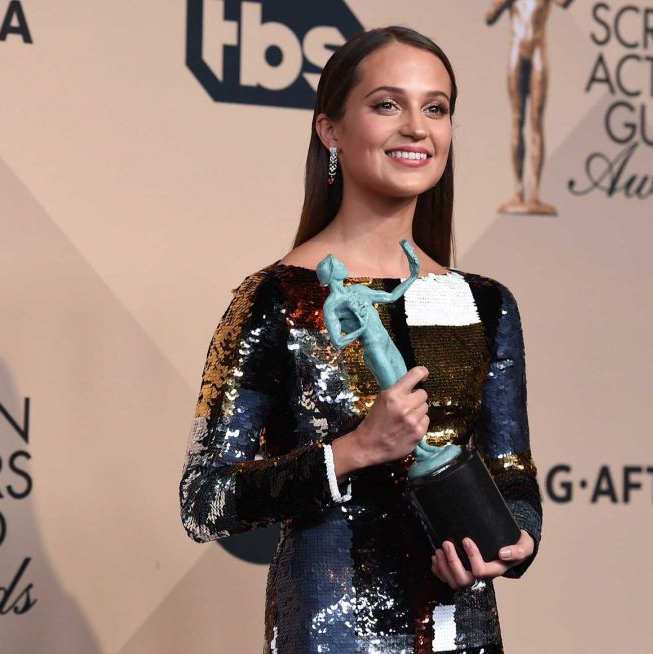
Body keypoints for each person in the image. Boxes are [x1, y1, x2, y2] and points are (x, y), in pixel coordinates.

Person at [179, 25, 542, 654]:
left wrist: (512, 546)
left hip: (466, 629)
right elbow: (205, 501)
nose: (416, 127)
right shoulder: (278, 297)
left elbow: (513, 480)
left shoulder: (483, 302)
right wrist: (354, 450)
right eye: (386, 104)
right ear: (330, 131)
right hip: (331, 630)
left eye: (436, 107)